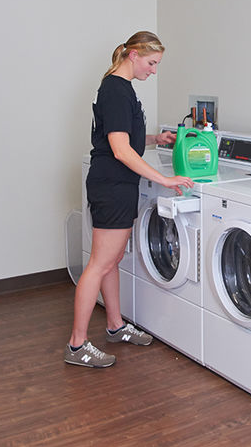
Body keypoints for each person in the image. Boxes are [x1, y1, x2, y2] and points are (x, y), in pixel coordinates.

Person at [65, 31, 194, 368]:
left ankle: (115, 325)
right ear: (133, 55)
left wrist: (154, 138)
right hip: (113, 185)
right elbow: (120, 150)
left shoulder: (117, 87)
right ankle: (77, 345)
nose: (153, 71)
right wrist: (164, 179)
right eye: (151, 63)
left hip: (116, 184)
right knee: (99, 264)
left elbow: (119, 136)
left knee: (111, 259)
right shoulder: (117, 90)